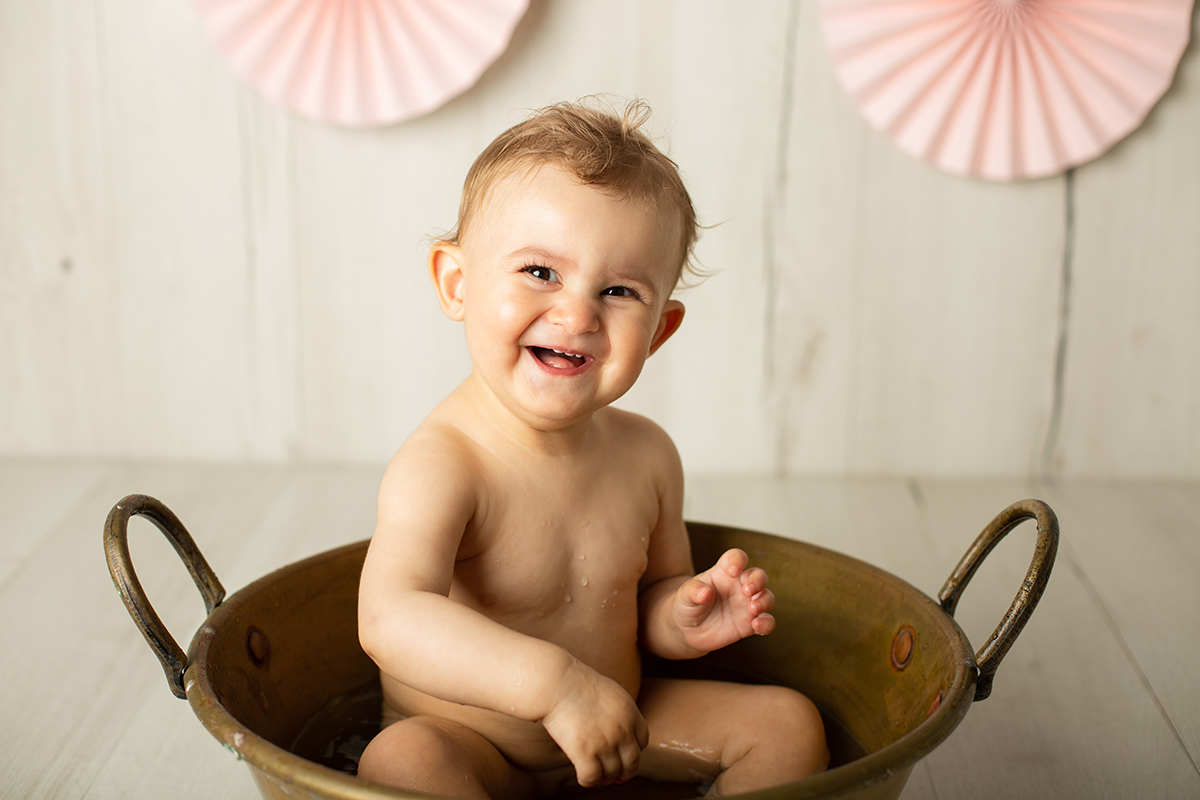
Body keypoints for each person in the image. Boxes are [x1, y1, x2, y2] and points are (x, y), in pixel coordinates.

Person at [357, 99, 829, 799]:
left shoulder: (647, 457)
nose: (577, 314)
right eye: (540, 273)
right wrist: (553, 686)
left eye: (618, 290)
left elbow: (639, 604)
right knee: (402, 764)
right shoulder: (444, 464)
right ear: (457, 284)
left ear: (661, 330)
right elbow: (391, 618)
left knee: (788, 724)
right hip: (478, 747)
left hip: (619, 727)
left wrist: (683, 615)